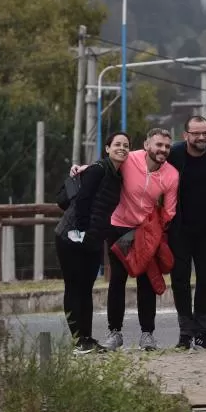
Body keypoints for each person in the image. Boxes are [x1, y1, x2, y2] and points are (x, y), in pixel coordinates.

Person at [100, 127, 179, 352]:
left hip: (144, 232)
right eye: (158, 145)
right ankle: (114, 332)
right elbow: (105, 167)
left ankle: (147, 334)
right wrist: (80, 169)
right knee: (118, 280)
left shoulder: (171, 174)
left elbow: (170, 211)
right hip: (118, 227)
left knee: (147, 281)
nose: (163, 150)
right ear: (146, 145)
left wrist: (154, 229)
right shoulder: (130, 159)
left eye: (166, 146)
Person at [56, 131, 129, 355]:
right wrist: (81, 230)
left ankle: (86, 338)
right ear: (107, 148)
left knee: (86, 288)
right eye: (117, 144)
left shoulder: (118, 176)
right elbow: (83, 199)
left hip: (94, 239)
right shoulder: (98, 169)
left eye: (126, 145)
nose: (122, 148)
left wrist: (93, 236)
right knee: (74, 286)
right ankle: (78, 339)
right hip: (70, 236)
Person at [167, 115, 206, 350]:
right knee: (180, 280)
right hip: (179, 230)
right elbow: (143, 160)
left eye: (205, 133)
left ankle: (202, 331)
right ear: (186, 136)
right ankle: (185, 332)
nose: (202, 137)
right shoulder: (175, 153)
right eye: (196, 133)